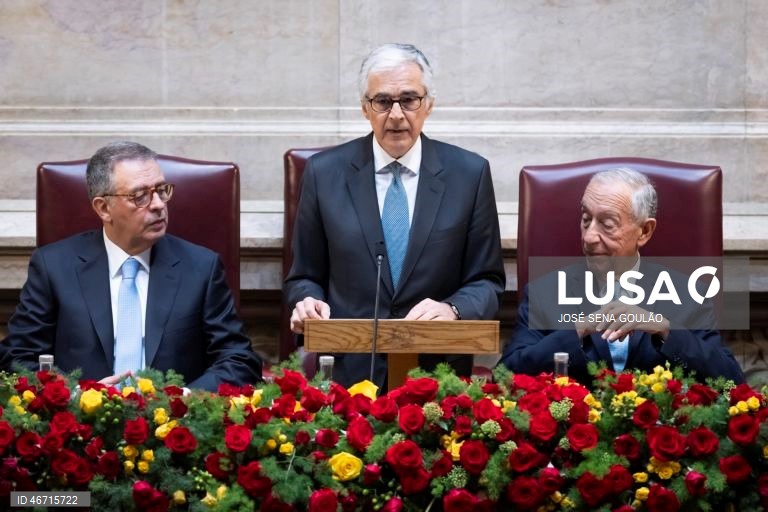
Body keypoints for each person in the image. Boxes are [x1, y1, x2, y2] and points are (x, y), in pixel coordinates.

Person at [285, 43, 506, 388]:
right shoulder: (324, 174)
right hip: (349, 377)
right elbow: (303, 276)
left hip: (438, 377)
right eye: (383, 101)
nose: (397, 114)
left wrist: (454, 309)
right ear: (365, 108)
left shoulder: (469, 174)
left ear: (428, 105)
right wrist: (306, 301)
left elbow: (487, 282)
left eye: (409, 99)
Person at [0, 141, 262, 391]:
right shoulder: (54, 267)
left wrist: (186, 399)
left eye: (161, 190)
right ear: (104, 208)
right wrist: (76, 396)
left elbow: (239, 360)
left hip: (175, 429)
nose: (159, 205)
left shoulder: (201, 268)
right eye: (140, 196)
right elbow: (17, 358)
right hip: (81, 427)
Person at [500, 168, 744, 384]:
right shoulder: (546, 292)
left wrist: (666, 330)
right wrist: (577, 330)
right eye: (586, 220)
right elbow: (505, 375)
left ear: (645, 231)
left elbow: (730, 380)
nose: (588, 237)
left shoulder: (689, 294)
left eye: (607, 224)